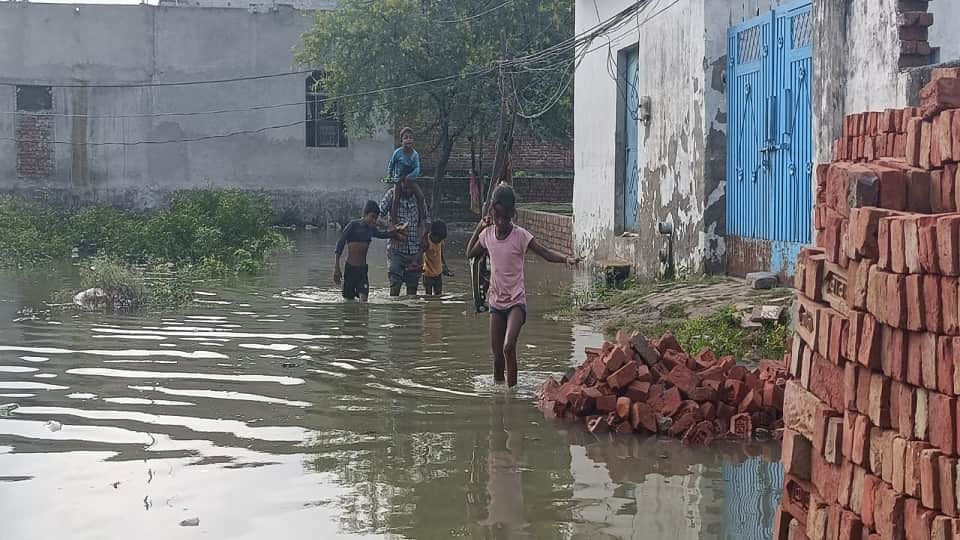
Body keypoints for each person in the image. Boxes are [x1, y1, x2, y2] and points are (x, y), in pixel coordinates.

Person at [467, 184, 581, 387]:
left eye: (506, 218)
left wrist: (566, 259)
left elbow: (544, 252)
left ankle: (512, 395)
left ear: (512, 214)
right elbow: (469, 253)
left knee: (509, 347)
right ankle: (499, 396)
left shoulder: (520, 236)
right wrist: (479, 227)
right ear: (493, 212)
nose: (501, 222)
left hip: (516, 304)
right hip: (495, 304)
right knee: (496, 358)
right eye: (498, 217)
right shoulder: (488, 236)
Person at [380, 130, 430, 296]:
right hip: (396, 250)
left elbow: (426, 221)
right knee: (394, 289)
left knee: (412, 294)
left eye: (410, 185)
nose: (407, 188)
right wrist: (390, 226)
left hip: (414, 252)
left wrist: (424, 236)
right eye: (404, 185)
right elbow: (378, 216)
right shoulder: (392, 194)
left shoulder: (418, 198)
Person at [333, 200, 395, 301]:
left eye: (376, 218)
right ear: (364, 214)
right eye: (372, 216)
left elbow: (385, 234)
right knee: (348, 301)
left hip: (362, 271)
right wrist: (336, 267)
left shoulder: (371, 230)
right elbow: (340, 244)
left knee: (364, 301)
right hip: (350, 270)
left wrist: (390, 226)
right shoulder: (353, 225)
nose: (374, 221)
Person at [422, 220, 453, 296]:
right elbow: (420, 254)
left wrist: (445, 267)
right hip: (427, 274)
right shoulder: (427, 242)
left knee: (438, 295)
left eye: (441, 240)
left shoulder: (440, 241)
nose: (439, 241)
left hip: (438, 273)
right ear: (432, 234)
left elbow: (441, 254)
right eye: (438, 239)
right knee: (428, 296)